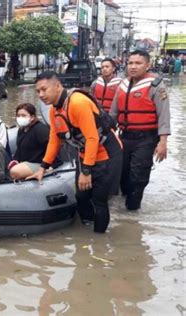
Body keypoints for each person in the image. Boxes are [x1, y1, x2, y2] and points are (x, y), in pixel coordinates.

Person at [28, 71, 123, 233]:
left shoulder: (78, 103)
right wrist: (43, 167)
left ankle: (99, 240)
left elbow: (93, 138)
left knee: (99, 199)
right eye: (38, 91)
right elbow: (54, 139)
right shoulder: (54, 110)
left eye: (44, 89)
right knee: (81, 196)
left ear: (57, 86)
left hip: (107, 153)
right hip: (85, 154)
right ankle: (87, 230)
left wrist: (86, 171)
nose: (41, 95)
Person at [110, 50, 170, 211]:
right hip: (125, 137)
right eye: (130, 63)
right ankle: (122, 208)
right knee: (122, 174)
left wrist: (163, 142)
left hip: (146, 139)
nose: (133, 67)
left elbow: (164, 116)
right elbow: (113, 114)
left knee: (138, 177)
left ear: (147, 65)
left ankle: (132, 213)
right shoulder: (122, 85)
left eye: (138, 63)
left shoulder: (156, 85)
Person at [8, 103, 51, 180]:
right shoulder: (22, 130)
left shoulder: (40, 129)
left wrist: (46, 165)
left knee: (15, 171)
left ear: (32, 117)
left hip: (40, 163)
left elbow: (50, 147)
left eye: (23, 115)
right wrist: (15, 160)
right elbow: (19, 148)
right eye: (18, 115)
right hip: (27, 162)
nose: (20, 118)